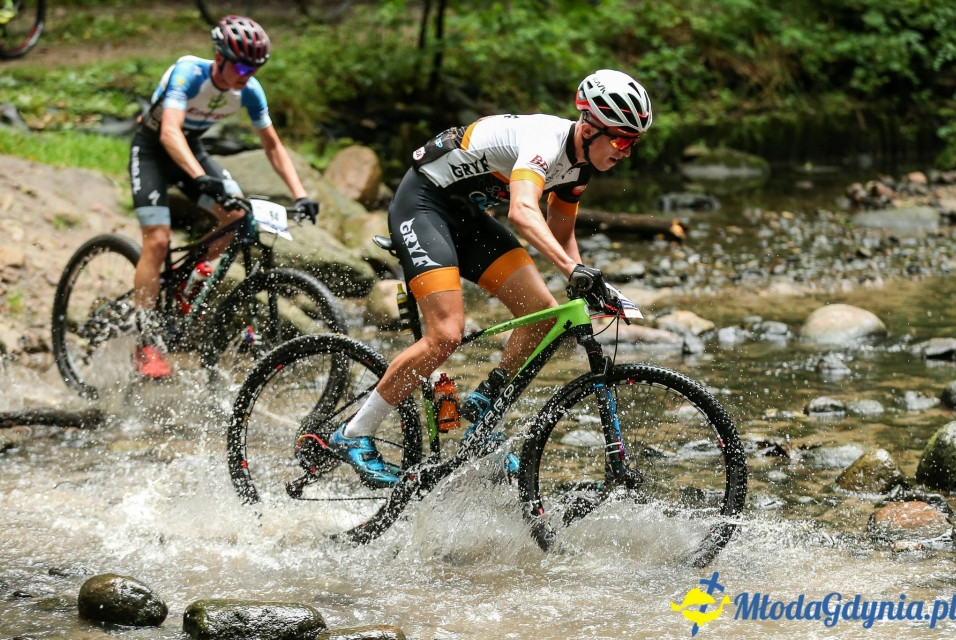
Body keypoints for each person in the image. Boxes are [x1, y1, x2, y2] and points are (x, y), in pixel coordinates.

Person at [329, 69, 653, 487]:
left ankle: (486, 401)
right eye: (621, 139)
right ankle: (352, 433)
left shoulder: (581, 166)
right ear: (589, 127)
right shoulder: (545, 141)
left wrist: (589, 285)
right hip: (424, 203)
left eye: (634, 142)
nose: (626, 151)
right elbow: (521, 211)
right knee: (445, 334)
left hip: (467, 217)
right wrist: (572, 269)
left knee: (542, 313)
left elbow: (560, 231)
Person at [128, 15, 319, 379]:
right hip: (153, 151)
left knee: (238, 218)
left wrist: (301, 194)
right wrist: (201, 179)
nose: (248, 74)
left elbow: (273, 146)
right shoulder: (189, 72)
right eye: (243, 65)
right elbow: (169, 133)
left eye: (256, 67)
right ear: (220, 57)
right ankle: (146, 342)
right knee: (157, 241)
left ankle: (186, 278)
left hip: (193, 150)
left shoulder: (250, 90)